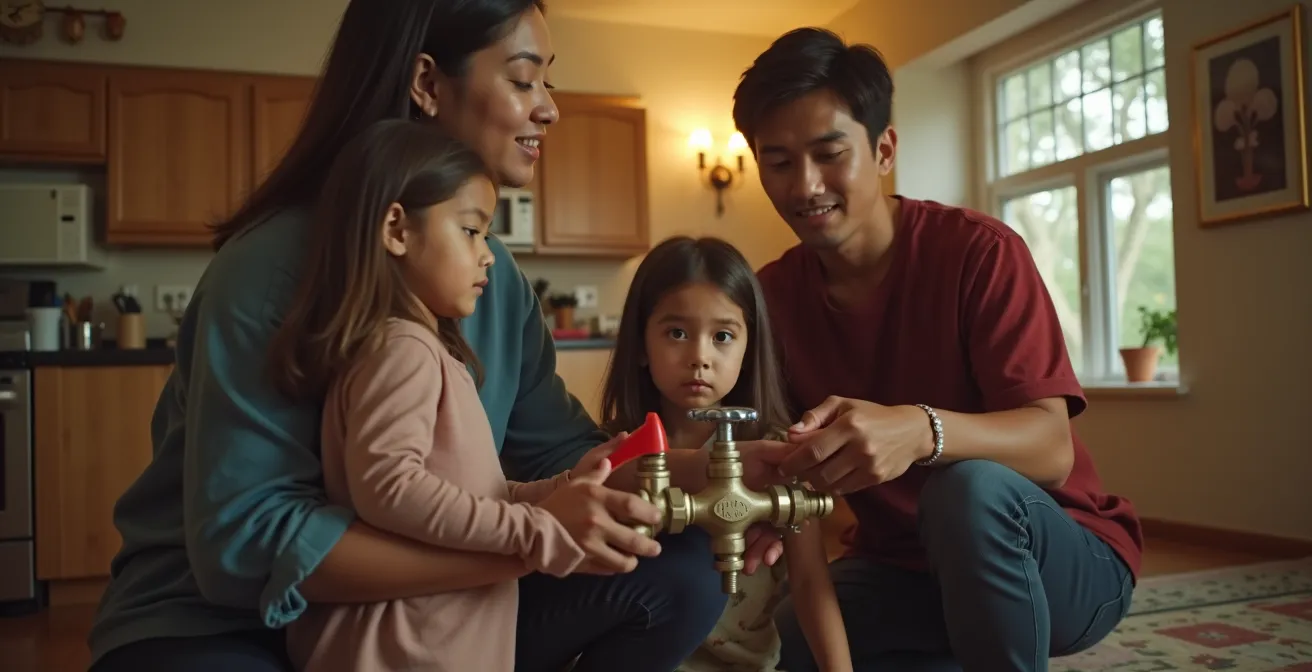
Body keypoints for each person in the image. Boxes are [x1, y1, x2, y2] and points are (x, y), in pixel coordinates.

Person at [86, 2, 780, 671]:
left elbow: (565, 459)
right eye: (521, 78)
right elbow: (245, 545)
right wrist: (529, 545)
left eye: (549, 80)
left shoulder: (494, 278)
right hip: (221, 619)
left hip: (430, 605)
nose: (549, 107)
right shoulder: (268, 270)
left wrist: (732, 472)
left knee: (679, 570)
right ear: (426, 83)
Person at [731, 28, 1144, 671]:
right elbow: (774, 457)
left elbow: (1052, 448)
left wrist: (921, 432)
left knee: (966, 491)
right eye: (779, 162)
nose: (805, 186)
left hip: (1064, 561)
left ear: (885, 147)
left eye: (829, 153)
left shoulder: (980, 252)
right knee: (799, 641)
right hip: (907, 573)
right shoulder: (769, 296)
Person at [269, 119, 644, 671]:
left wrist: (556, 492)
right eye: (472, 231)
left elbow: (469, 493)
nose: (489, 254)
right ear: (397, 229)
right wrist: (537, 531)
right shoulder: (401, 350)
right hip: (404, 650)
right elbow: (390, 486)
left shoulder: (424, 351)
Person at [597, 235, 852, 672]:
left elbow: (811, 584)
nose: (700, 357)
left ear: (749, 347)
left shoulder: (775, 457)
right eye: (677, 333)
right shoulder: (609, 454)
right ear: (640, 344)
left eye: (722, 336)